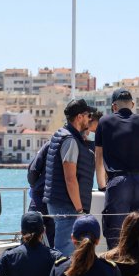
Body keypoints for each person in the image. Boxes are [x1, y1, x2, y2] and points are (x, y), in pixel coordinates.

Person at [95, 89, 139, 252]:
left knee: (117, 235)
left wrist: (102, 185)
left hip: (118, 184)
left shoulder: (104, 122)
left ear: (114, 106)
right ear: (132, 105)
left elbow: (98, 157)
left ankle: (120, 273)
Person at [43, 98, 98, 257]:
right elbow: (70, 178)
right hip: (67, 205)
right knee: (65, 254)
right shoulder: (70, 141)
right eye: (88, 115)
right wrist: (79, 209)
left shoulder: (62, 135)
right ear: (79, 117)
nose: (90, 119)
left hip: (60, 202)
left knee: (67, 251)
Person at [26, 143, 56, 245]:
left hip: (39, 196)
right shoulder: (76, 143)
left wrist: (35, 186)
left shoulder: (49, 145)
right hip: (59, 199)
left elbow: (33, 171)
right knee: (53, 238)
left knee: (31, 234)